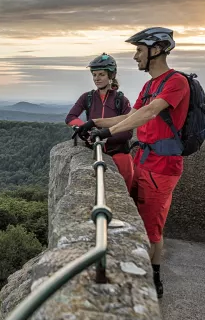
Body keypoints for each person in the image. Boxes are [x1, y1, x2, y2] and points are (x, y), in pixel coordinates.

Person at [75, 27, 190, 298]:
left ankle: (153, 277)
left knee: (152, 225)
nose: (135, 55)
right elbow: (132, 114)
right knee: (137, 216)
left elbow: (149, 113)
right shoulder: (150, 85)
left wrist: (108, 133)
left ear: (157, 49)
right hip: (144, 159)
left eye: (139, 50)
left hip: (162, 166)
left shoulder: (176, 82)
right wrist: (95, 123)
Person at [65, 53, 134, 192]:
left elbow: (127, 130)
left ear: (111, 75)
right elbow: (71, 117)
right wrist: (84, 127)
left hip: (119, 154)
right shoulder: (88, 97)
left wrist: (105, 137)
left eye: (101, 74)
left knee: (124, 193)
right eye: (94, 75)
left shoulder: (121, 100)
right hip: (94, 151)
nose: (97, 79)